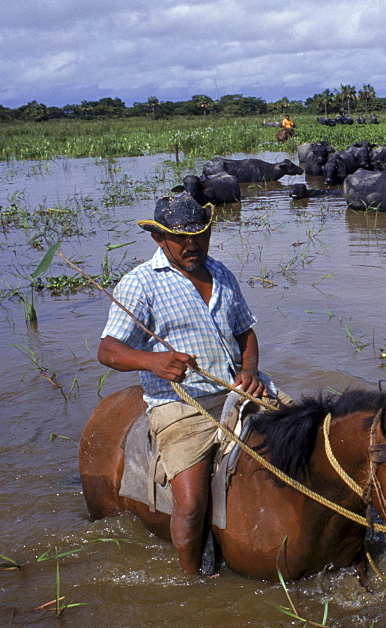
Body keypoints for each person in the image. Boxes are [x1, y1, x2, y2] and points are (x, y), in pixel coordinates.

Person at [98, 193, 283, 575]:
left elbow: (245, 332)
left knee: (312, 439)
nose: (192, 245)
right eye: (180, 238)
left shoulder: (221, 273)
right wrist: (153, 361)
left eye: (200, 234)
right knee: (191, 500)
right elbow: (108, 350)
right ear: (158, 239)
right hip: (181, 404)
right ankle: (192, 578)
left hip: (239, 391)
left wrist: (249, 369)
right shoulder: (140, 284)